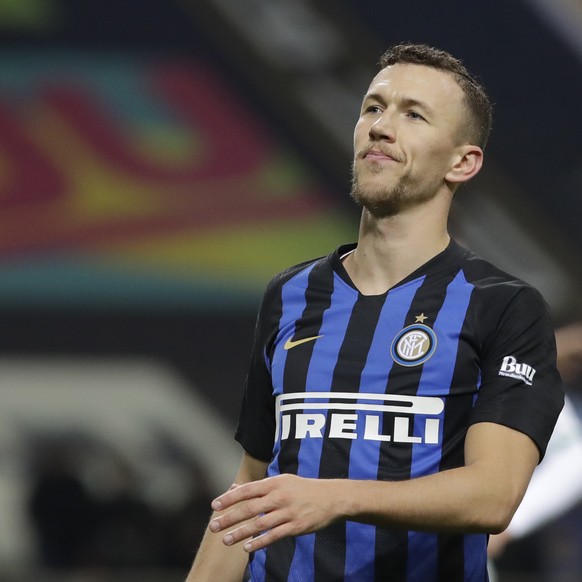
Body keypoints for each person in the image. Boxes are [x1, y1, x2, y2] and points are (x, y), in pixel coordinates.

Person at [185, 43, 564, 582]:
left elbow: (494, 495)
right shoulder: (291, 293)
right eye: (373, 107)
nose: (382, 127)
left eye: (414, 114)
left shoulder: (502, 305)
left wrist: (334, 498)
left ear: (463, 161)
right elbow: (251, 485)